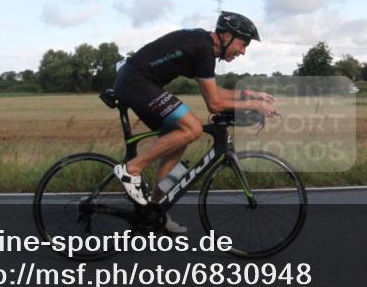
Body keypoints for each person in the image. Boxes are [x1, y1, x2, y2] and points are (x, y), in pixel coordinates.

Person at [111, 12, 278, 231]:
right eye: (243, 44)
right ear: (226, 35)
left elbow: (214, 92)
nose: (243, 51)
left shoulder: (204, 47)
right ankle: (132, 169)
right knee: (193, 127)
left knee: (180, 138)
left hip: (138, 81)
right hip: (136, 82)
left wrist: (249, 95)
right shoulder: (203, 49)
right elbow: (215, 104)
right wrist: (256, 106)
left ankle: (156, 208)